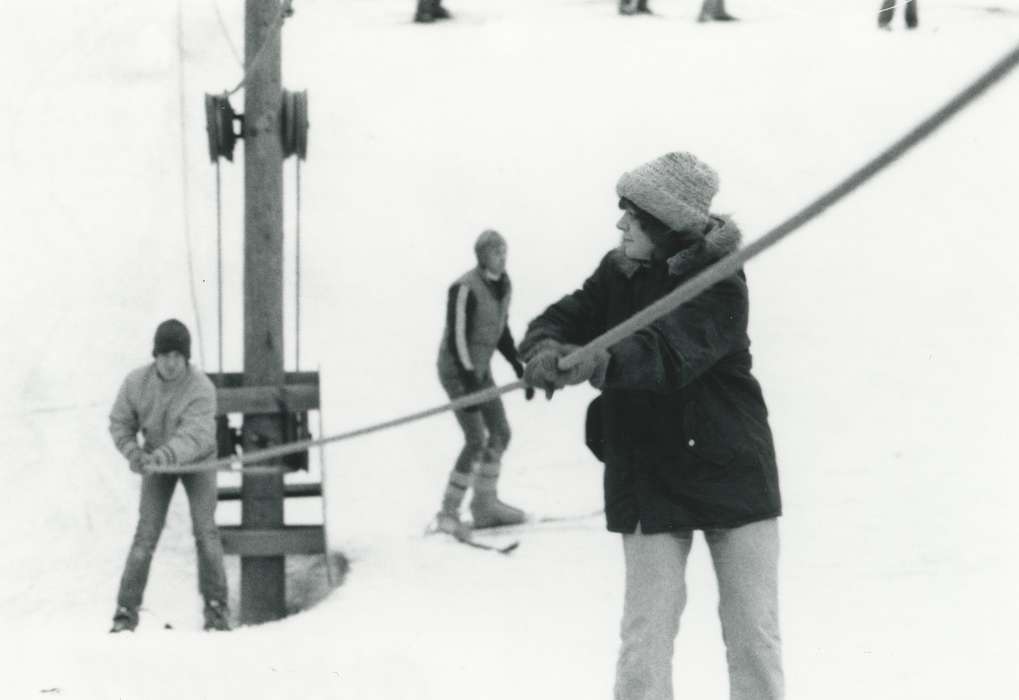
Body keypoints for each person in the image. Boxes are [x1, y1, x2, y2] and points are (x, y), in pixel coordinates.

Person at [520, 152, 783, 700]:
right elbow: (561, 317)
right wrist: (545, 348)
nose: (621, 225)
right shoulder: (618, 271)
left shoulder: (719, 282)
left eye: (633, 217)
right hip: (649, 476)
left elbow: (668, 354)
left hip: (730, 470)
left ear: (666, 226)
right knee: (644, 640)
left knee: (752, 636)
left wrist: (598, 360)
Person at [108, 319, 230, 633]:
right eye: (164, 355)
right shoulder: (136, 383)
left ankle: (216, 611)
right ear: (155, 356)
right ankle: (125, 612)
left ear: (186, 358)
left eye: (177, 355)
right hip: (154, 463)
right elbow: (120, 422)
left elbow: (196, 435)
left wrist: (161, 457)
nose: (171, 362)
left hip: (197, 463)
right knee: (145, 535)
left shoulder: (201, 387)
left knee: (206, 533)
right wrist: (133, 453)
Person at [434, 229, 533, 535]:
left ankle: (485, 505)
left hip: (480, 370)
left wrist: (518, 365)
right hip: (457, 370)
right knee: (475, 438)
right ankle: (448, 512)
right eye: (495, 252)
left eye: (504, 251)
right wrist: (469, 382)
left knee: (501, 432)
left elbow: (500, 331)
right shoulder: (464, 288)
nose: (502, 257)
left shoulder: (504, 285)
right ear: (482, 256)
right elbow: (457, 339)